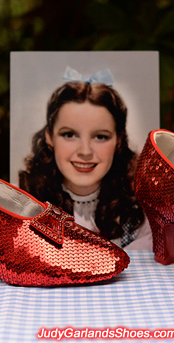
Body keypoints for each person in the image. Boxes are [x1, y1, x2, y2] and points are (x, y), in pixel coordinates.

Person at [18, 69, 152, 249]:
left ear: (119, 140)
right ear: (49, 137)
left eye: (100, 137)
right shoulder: (28, 203)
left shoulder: (138, 212)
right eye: (69, 134)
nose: (85, 151)